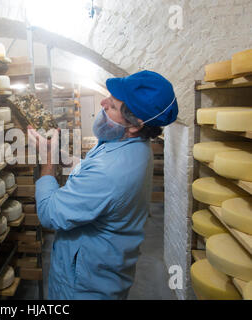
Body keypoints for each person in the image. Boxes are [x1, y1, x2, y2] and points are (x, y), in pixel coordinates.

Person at [28, 70, 178, 300]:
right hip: (103, 270)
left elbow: (50, 213)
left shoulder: (110, 173)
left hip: (84, 285)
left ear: (135, 125)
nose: (103, 103)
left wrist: (47, 162)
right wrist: (62, 157)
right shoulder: (132, 146)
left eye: (113, 106)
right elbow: (95, 170)